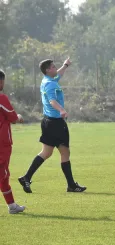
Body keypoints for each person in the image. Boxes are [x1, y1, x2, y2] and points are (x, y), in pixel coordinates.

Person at [18, 57, 86, 193]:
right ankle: (71, 185)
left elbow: (59, 74)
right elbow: (51, 101)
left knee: (46, 152)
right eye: (54, 67)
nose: (56, 68)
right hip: (56, 123)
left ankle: (26, 177)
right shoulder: (50, 84)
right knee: (65, 152)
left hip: (47, 122)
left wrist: (65, 65)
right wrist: (61, 110)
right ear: (48, 70)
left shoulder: (47, 80)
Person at [0, 69, 26, 214]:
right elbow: (14, 118)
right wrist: (20, 116)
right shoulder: (2, 98)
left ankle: (12, 205)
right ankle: (12, 206)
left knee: (4, 175)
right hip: (2, 144)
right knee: (2, 174)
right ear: (1, 81)